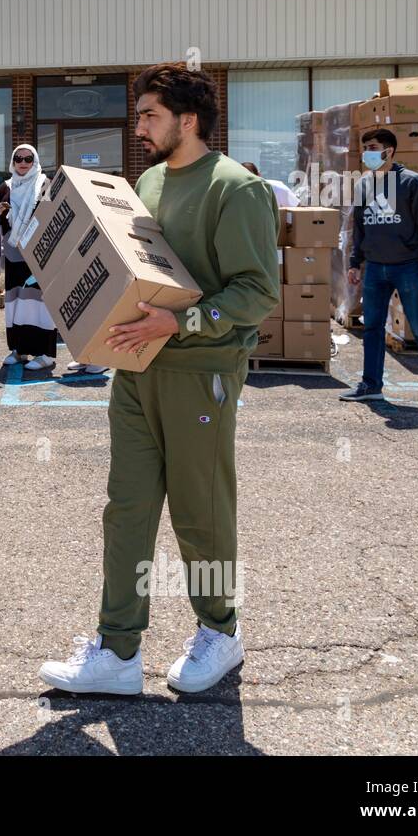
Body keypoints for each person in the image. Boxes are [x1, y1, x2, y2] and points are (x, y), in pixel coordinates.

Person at [38, 63, 280, 695]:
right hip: (136, 371)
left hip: (201, 374)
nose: (138, 126)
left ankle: (220, 632)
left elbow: (258, 293)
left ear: (188, 119)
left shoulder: (235, 189)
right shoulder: (144, 182)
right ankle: (117, 653)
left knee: (200, 513)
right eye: (139, 114)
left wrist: (183, 322)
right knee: (127, 509)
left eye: (149, 114)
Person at [341, 128, 418, 407]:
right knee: (373, 328)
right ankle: (371, 384)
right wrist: (355, 263)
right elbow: (360, 228)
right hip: (376, 268)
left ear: (389, 151)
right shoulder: (364, 184)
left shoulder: (411, 182)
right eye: (365, 147)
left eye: (373, 147)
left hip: (407, 266)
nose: (368, 152)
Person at [0, 143, 58, 371]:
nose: (23, 163)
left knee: (39, 304)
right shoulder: (5, 186)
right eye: (18, 158)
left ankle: (46, 354)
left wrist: (14, 214)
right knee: (15, 302)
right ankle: (19, 350)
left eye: (28, 159)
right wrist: (1, 213)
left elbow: (49, 216)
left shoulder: (44, 184)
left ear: (35, 161)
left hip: (38, 255)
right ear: (13, 161)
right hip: (14, 254)